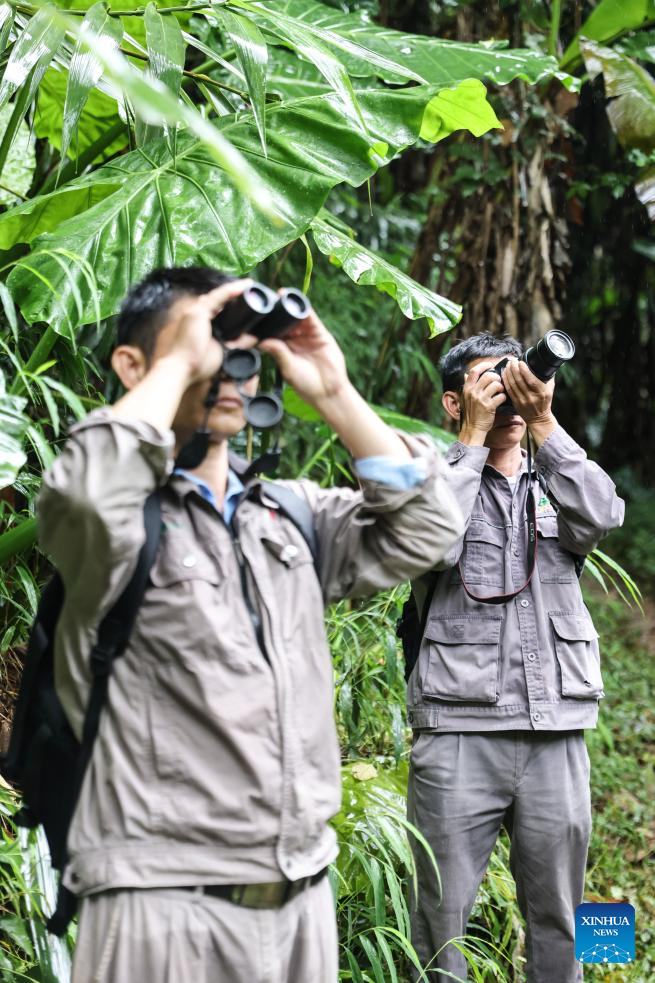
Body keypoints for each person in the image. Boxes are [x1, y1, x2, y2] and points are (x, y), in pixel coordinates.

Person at [37, 266, 464, 983]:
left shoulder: (287, 516)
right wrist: (177, 362)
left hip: (299, 901)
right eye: (207, 342)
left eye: (241, 348)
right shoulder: (112, 526)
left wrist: (331, 389)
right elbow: (82, 489)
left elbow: (428, 531)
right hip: (161, 902)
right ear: (133, 366)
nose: (230, 364)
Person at [406, 333, 625, 982]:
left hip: (555, 727)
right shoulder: (430, 474)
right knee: (437, 922)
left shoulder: (553, 476)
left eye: (512, 380)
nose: (504, 395)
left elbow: (603, 513)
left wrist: (546, 423)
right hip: (457, 731)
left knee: (567, 913)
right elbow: (427, 541)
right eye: (486, 384)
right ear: (452, 400)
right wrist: (472, 436)